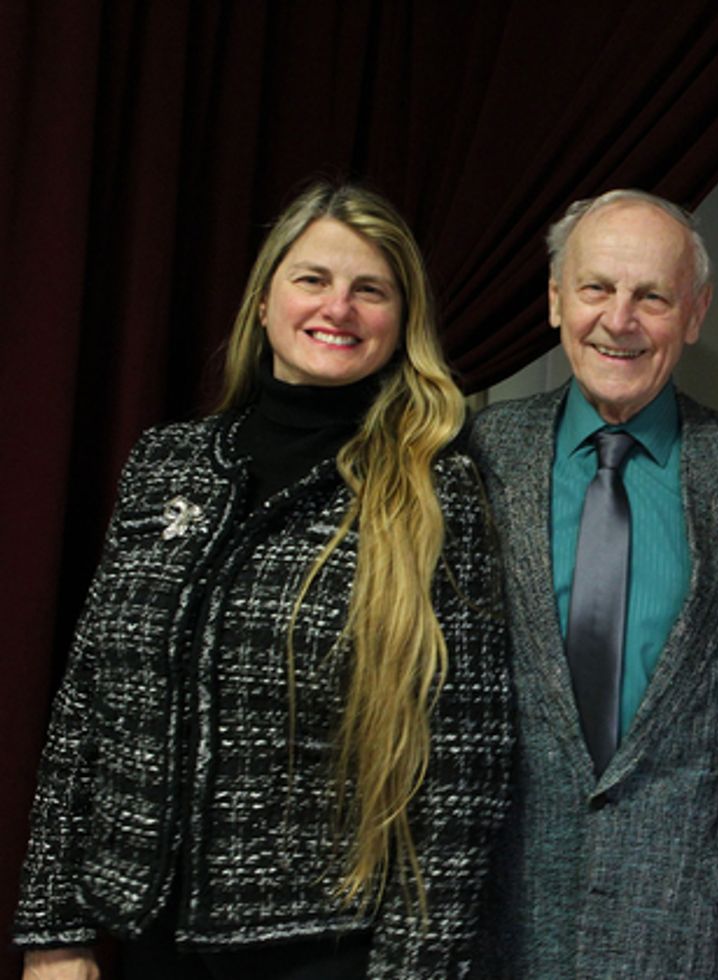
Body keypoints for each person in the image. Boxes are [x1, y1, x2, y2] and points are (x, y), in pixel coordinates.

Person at [13, 182, 512, 979]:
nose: (338, 308)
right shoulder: (165, 463)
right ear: (265, 299)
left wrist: (422, 968)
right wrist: (53, 930)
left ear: (401, 319)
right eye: (313, 279)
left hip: (327, 950)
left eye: (369, 289)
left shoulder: (436, 488)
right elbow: (87, 705)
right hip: (147, 939)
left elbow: (463, 767)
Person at [468, 189, 718, 976]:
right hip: (503, 911)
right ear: (555, 300)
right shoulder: (476, 457)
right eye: (596, 288)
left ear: (695, 313)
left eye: (651, 296)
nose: (619, 320)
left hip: (684, 919)